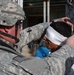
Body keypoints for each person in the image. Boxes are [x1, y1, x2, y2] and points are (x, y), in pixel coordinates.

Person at [0, 0, 74, 75]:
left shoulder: (5, 41)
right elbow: (48, 70)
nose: (20, 29)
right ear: (7, 27)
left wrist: (52, 23)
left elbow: (27, 34)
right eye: (19, 24)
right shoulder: (6, 62)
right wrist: (69, 47)